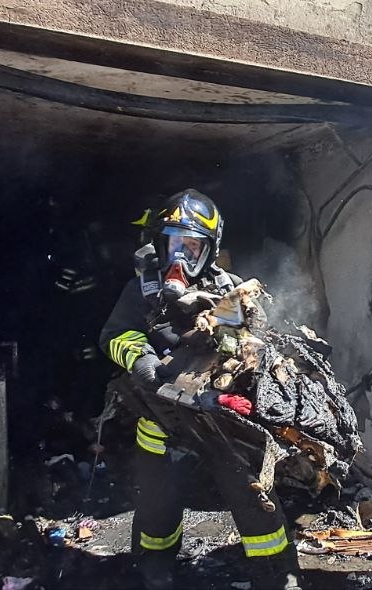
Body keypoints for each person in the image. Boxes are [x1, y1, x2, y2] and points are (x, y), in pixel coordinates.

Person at [99, 189, 303, 590]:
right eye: (174, 244)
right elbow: (113, 335)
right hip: (161, 418)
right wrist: (141, 358)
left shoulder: (228, 289)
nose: (181, 256)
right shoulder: (142, 289)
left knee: (252, 497)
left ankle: (277, 575)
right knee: (157, 501)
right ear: (160, 244)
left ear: (209, 250)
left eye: (192, 247)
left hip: (220, 418)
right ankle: (156, 563)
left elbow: (255, 337)